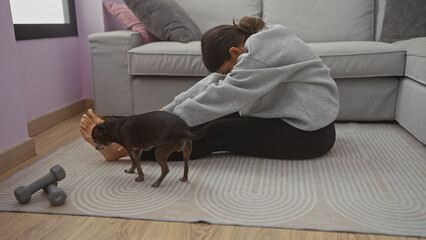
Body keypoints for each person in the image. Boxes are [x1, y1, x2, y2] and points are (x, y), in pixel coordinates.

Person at [80, 16, 339, 161]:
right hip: (296, 120)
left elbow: (218, 98)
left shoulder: (264, 51)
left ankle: (124, 147)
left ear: (235, 52)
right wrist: (161, 111)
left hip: (308, 135)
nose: (228, 75)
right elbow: (211, 85)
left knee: (213, 130)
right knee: (202, 115)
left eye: (228, 70)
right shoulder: (258, 43)